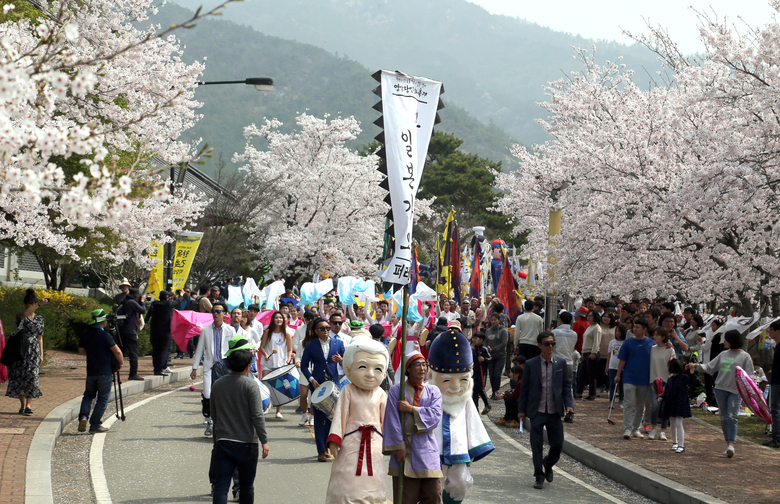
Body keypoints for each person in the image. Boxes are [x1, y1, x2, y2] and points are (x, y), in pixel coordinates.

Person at [427, 329, 494, 503]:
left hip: (459, 449)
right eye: (447, 380)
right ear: (431, 376)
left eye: (463, 380)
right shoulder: (427, 395)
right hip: (433, 449)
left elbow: (472, 422)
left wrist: (474, 447)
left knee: (462, 483)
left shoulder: (464, 399)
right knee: (435, 486)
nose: (456, 387)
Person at [325, 338, 390, 504]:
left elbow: (387, 422)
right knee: (348, 478)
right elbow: (340, 416)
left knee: (373, 478)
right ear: (348, 368)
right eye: (362, 367)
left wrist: (393, 443)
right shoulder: (348, 390)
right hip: (351, 442)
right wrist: (335, 439)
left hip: (375, 443)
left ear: (383, 374)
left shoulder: (381, 394)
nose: (370, 374)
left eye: (377, 369)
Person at [210, 336, 269, 504]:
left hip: (223, 441)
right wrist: (264, 440)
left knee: (221, 486)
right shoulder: (250, 385)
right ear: (248, 366)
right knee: (246, 486)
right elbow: (257, 415)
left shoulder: (218, 384)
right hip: (246, 443)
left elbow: (214, 413)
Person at [383, 352, 443, 504]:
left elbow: (435, 416)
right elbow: (392, 420)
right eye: (418, 364)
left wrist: (411, 409)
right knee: (406, 497)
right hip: (405, 448)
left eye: (424, 364)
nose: (422, 368)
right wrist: (399, 446)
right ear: (408, 368)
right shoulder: (396, 390)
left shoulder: (434, 391)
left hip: (427, 447)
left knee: (434, 494)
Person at [517, 331, 574, 489]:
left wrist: (569, 405)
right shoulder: (531, 364)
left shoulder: (560, 363)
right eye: (547, 343)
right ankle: (539, 476)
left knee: (558, 445)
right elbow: (525, 388)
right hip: (537, 411)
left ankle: (547, 464)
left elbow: (566, 386)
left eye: (552, 343)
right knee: (536, 446)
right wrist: (521, 410)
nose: (551, 346)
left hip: (554, 411)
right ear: (540, 345)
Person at [687, 329, 754, 458]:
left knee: (732, 416)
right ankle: (728, 442)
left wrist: (750, 390)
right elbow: (710, 367)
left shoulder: (744, 356)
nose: (724, 342)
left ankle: (731, 445)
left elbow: (750, 375)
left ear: (732, 341)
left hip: (735, 391)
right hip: (720, 389)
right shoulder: (723, 354)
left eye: (726, 340)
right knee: (724, 417)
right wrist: (696, 366)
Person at [300, 317, 346, 462]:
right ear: (316, 331)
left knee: (333, 417)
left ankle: (328, 446)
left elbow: (349, 361)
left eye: (327, 328)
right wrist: (311, 379)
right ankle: (321, 450)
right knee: (319, 418)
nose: (326, 331)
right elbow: (303, 366)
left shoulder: (338, 343)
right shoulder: (310, 345)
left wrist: (342, 360)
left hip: (334, 384)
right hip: (318, 385)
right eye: (322, 329)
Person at [191, 301, 236, 437]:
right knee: (208, 394)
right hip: (209, 367)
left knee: (224, 396)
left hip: (225, 368)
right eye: (214, 311)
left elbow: (234, 350)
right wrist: (194, 368)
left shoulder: (230, 330)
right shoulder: (205, 330)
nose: (216, 314)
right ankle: (209, 421)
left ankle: (222, 424)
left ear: (224, 314)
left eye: (218, 311)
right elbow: (199, 350)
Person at [77, 309, 124, 433]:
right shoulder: (105, 335)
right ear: (103, 320)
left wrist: (93, 353)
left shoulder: (86, 333)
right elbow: (117, 351)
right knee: (102, 398)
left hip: (91, 371)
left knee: (88, 395)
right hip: (105, 371)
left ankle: (83, 417)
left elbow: (81, 350)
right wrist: (121, 362)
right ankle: (95, 424)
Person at [5, 289, 46, 415]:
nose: (32, 305)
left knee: (32, 378)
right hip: (21, 349)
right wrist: (39, 304)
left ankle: (29, 405)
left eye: (33, 303)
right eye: (30, 303)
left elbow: (40, 337)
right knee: (19, 377)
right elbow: (25, 315)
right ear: (26, 304)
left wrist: (41, 354)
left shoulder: (39, 319)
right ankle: (22, 405)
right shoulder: (21, 316)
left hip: (34, 351)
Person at [615, 317, 654, 439]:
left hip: (645, 379)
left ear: (644, 329)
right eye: (634, 327)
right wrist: (618, 374)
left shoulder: (651, 343)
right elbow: (622, 359)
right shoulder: (628, 342)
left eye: (637, 327)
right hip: (629, 377)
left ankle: (636, 428)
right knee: (628, 404)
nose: (634, 329)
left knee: (640, 406)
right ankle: (627, 428)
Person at [259, 311, 294, 419]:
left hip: (281, 363)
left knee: (279, 388)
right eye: (276, 318)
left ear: (284, 320)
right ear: (273, 320)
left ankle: (278, 411)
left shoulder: (287, 334)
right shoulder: (268, 332)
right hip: (268, 363)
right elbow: (262, 347)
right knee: (265, 386)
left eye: (281, 318)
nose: (279, 319)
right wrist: (265, 355)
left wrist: (288, 359)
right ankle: (265, 406)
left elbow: (289, 349)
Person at [658, 358, 693, 453]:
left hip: (680, 403)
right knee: (672, 424)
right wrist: (662, 397)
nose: (667, 368)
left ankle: (681, 445)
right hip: (671, 403)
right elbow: (667, 392)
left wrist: (691, 371)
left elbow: (692, 382)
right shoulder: (670, 380)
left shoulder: (684, 377)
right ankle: (674, 443)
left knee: (678, 423)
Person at [646, 328, 675, 441]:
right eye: (654, 335)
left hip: (666, 382)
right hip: (653, 381)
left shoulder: (669, 350)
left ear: (663, 337)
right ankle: (653, 428)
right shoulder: (652, 349)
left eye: (657, 335)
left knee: (664, 407)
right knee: (655, 406)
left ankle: (663, 430)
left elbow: (673, 365)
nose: (655, 337)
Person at [145, 291, 178, 376]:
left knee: (155, 350)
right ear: (167, 298)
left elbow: (149, 313)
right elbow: (178, 301)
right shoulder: (168, 304)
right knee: (163, 350)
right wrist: (180, 295)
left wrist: (145, 322)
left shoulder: (154, 304)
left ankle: (156, 369)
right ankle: (160, 368)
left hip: (154, 330)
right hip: (165, 331)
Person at [293, 310, 316, 425]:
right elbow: (297, 356)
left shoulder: (318, 343)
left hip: (315, 372)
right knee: (303, 395)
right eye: (309, 330)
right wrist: (298, 362)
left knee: (313, 396)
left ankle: (312, 416)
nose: (311, 331)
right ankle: (304, 415)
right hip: (304, 371)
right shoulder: (302, 342)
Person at [118, 288, 147, 381]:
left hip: (124, 330)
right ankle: (133, 374)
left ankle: (111, 372)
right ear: (136, 297)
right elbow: (143, 310)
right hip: (130, 331)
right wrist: (142, 302)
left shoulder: (125, 301)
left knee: (121, 352)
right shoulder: (132, 302)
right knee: (134, 354)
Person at [576, 310, 602, 400]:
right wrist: (583, 353)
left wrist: (594, 352)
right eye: (588, 316)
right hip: (586, 352)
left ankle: (592, 394)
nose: (589, 317)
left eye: (591, 316)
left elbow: (596, 342)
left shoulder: (597, 328)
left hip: (592, 353)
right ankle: (578, 392)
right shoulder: (589, 327)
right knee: (581, 374)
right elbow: (585, 341)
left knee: (591, 375)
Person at [764, 319, 780, 448]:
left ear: (778, 331)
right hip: (775, 380)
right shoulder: (777, 346)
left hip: (778, 382)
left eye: (771, 330)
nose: (769, 332)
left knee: (776, 410)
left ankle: (777, 438)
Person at [484, 313, 509, 399]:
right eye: (492, 320)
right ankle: (493, 392)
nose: (493, 322)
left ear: (499, 320)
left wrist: (493, 349)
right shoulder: (488, 331)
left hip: (500, 356)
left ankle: (496, 392)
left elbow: (504, 343)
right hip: (490, 356)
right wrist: (487, 348)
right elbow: (485, 341)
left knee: (497, 374)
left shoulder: (503, 331)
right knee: (491, 375)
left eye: (495, 320)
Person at [607, 324, 627, 408]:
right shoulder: (612, 342)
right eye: (616, 331)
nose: (617, 333)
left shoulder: (626, 342)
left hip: (622, 367)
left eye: (619, 331)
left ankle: (621, 400)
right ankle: (611, 401)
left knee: (622, 385)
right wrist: (607, 366)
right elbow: (609, 355)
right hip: (612, 366)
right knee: (612, 384)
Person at [471, 332, 492, 414]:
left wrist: (484, 360)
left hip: (481, 371)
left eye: (476, 339)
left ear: (481, 340)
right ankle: (475, 409)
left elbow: (490, 359)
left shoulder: (484, 348)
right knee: (474, 390)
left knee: (480, 388)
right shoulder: (474, 348)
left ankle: (487, 404)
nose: (474, 340)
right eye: (474, 338)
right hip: (474, 371)